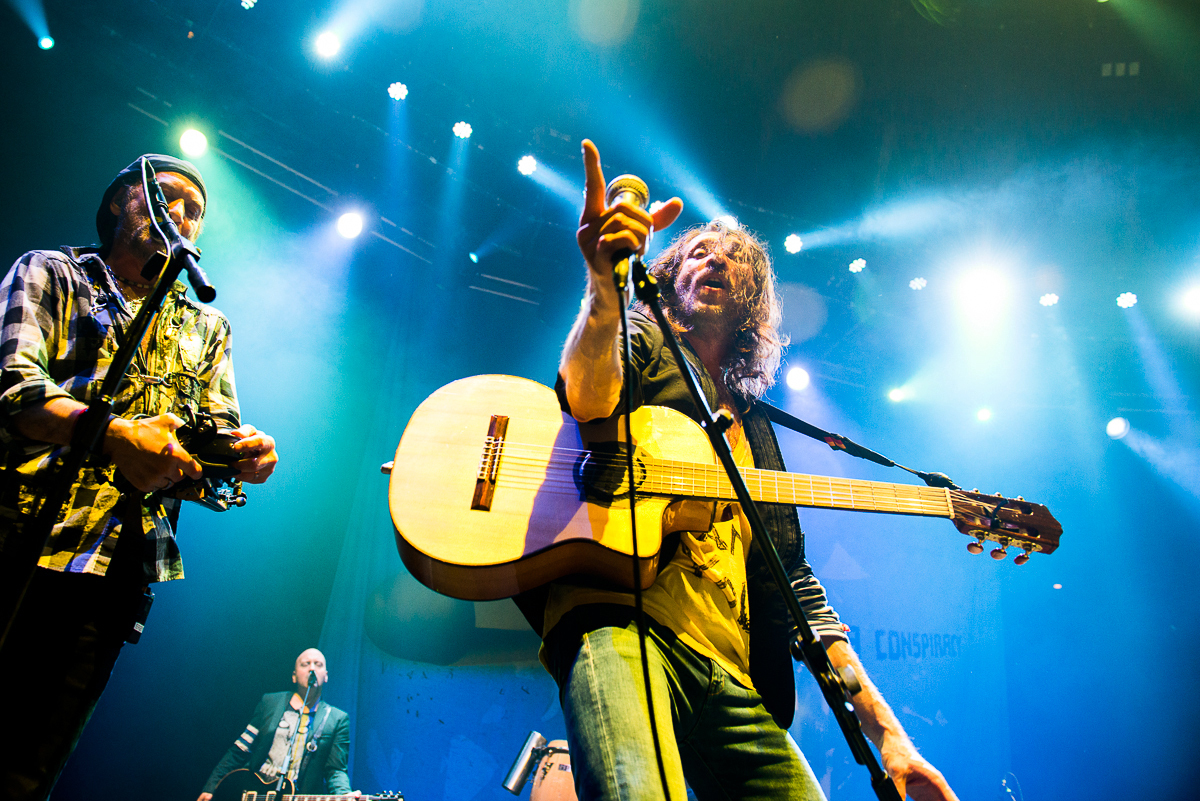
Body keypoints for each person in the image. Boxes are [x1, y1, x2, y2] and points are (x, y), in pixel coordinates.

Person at [518, 139, 959, 801]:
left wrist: (890, 737)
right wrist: (605, 289)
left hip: (733, 675)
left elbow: (797, 589)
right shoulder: (642, 337)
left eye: (736, 258)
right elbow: (584, 395)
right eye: (698, 250)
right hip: (619, 623)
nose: (716, 257)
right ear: (669, 275)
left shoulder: (757, 431)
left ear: (752, 299)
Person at [0, 154, 279, 801]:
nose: (180, 213)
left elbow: (206, 445)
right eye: (166, 196)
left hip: (117, 569)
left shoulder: (207, 326)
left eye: (194, 210)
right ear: (118, 202)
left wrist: (243, 456)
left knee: (29, 768)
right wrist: (113, 435)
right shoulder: (52, 272)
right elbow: (12, 388)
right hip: (20, 535)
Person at [197, 648, 358, 801]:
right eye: (305, 664)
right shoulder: (270, 703)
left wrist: (344, 794)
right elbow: (240, 749)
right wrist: (211, 787)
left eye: (318, 664)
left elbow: (336, 770)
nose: (312, 668)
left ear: (326, 676)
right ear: (294, 676)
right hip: (254, 791)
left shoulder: (337, 719)